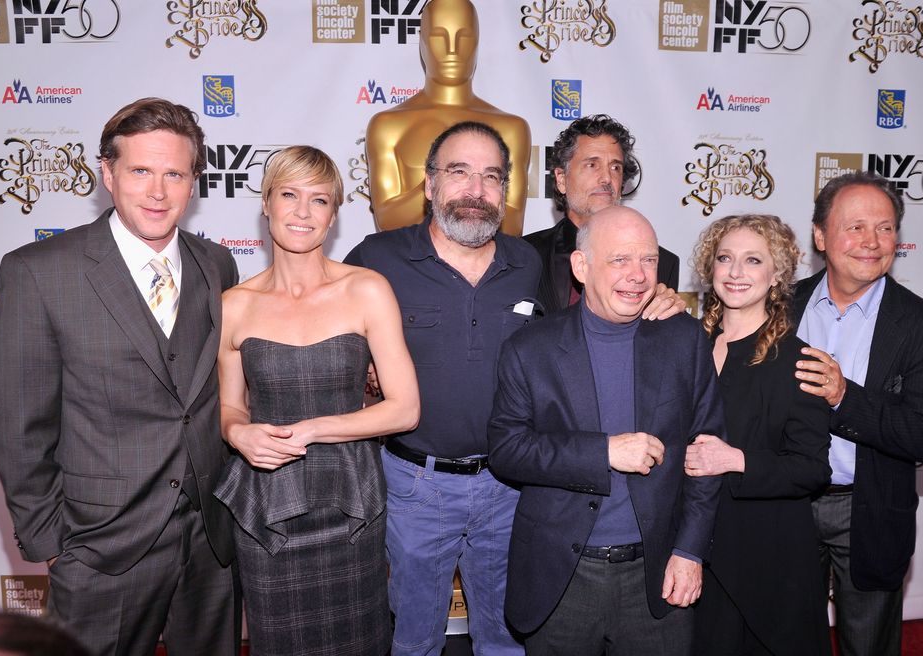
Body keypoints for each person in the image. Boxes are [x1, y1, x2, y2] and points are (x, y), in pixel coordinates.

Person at [0, 97, 241, 655]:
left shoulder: (217, 264)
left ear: (194, 181)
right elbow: (17, 425)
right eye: (140, 171)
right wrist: (54, 544)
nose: (157, 191)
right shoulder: (39, 272)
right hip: (101, 548)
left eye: (174, 173)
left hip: (211, 543)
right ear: (107, 174)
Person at [488, 205, 726, 655]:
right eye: (619, 259)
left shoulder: (684, 339)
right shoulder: (530, 348)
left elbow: (707, 452)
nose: (638, 275)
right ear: (581, 266)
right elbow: (507, 450)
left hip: (656, 576)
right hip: (561, 578)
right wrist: (603, 454)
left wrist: (691, 552)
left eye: (648, 260)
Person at [213, 146, 420, 656]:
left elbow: (405, 408)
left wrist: (310, 429)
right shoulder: (234, 306)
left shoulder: (367, 290)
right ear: (266, 203)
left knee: (362, 640)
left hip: (351, 503)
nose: (303, 212)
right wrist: (239, 433)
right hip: (267, 508)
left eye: (319, 200)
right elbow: (227, 407)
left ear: (333, 214)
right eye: (289, 195)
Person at [347, 120, 536, 656]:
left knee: (507, 640)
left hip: (510, 486)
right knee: (414, 639)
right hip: (415, 486)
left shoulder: (528, 264)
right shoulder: (375, 258)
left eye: (491, 177)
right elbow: (329, 347)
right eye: (459, 173)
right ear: (428, 185)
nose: (476, 191)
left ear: (506, 191)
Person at [792, 171, 923, 655]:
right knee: (782, 638)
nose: (872, 242)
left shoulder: (922, 324)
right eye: (855, 226)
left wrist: (845, 397)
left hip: (869, 508)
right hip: (784, 503)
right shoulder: (780, 304)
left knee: (869, 645)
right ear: (821, 236)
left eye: (885, 228)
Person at [684, 214, 831, 655]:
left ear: (778, 274)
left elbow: (811, 468)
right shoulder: (684, 345)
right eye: (724, 258)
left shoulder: (800, 362)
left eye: (752, 260)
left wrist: (737, 460)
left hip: (768, 561)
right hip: (695, 550)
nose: (735, 272)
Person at [366, 0, 531, 235]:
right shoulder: (389, 125)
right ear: (422, 43)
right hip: (409, 266)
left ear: (476, 43)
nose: (452, 49)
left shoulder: (511, 128)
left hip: (485, 266)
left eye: (463, 37)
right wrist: (445, 180)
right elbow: (387, 219)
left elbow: (513, 224)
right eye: (438, 36)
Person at [525, 114, 680, 316]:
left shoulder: (663, 264)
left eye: (615, 167)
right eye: (592, 165)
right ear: (561, 180)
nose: (607, 177)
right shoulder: (524, 255)